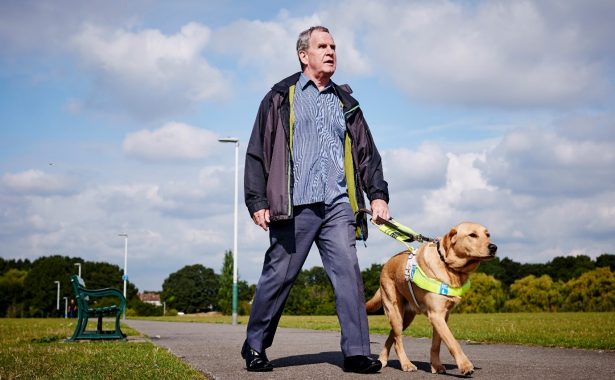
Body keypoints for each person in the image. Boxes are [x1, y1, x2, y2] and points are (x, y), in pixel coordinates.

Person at [242, 26, 390, 374]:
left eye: (334, 46)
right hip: (293, 205)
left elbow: (367, 154)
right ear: (303, 55)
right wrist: (257, 200)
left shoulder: (347, 102)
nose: (330, 51)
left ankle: (355, 352)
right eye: (322, 46)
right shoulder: (280, 97)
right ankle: (255, 346)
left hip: (338, 204)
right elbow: (257, 153)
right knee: (278, 277)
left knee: (349, 276)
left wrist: (378, 195)